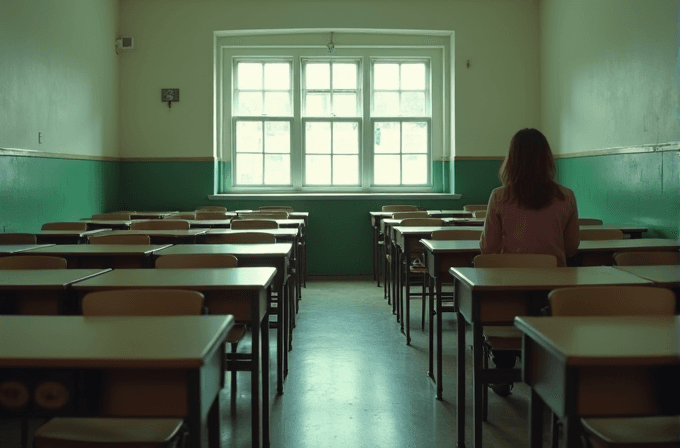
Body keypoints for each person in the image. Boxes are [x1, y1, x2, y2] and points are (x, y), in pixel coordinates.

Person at [479, 128, 579, 396]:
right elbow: (571, 248)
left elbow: (487, 248)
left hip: (512, 290)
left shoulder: (500, 197)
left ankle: (503, 368)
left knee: (504, 309)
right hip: (553, 293)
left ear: (511, 160)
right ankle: (549, 370)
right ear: (546, 159)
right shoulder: (566, 196)